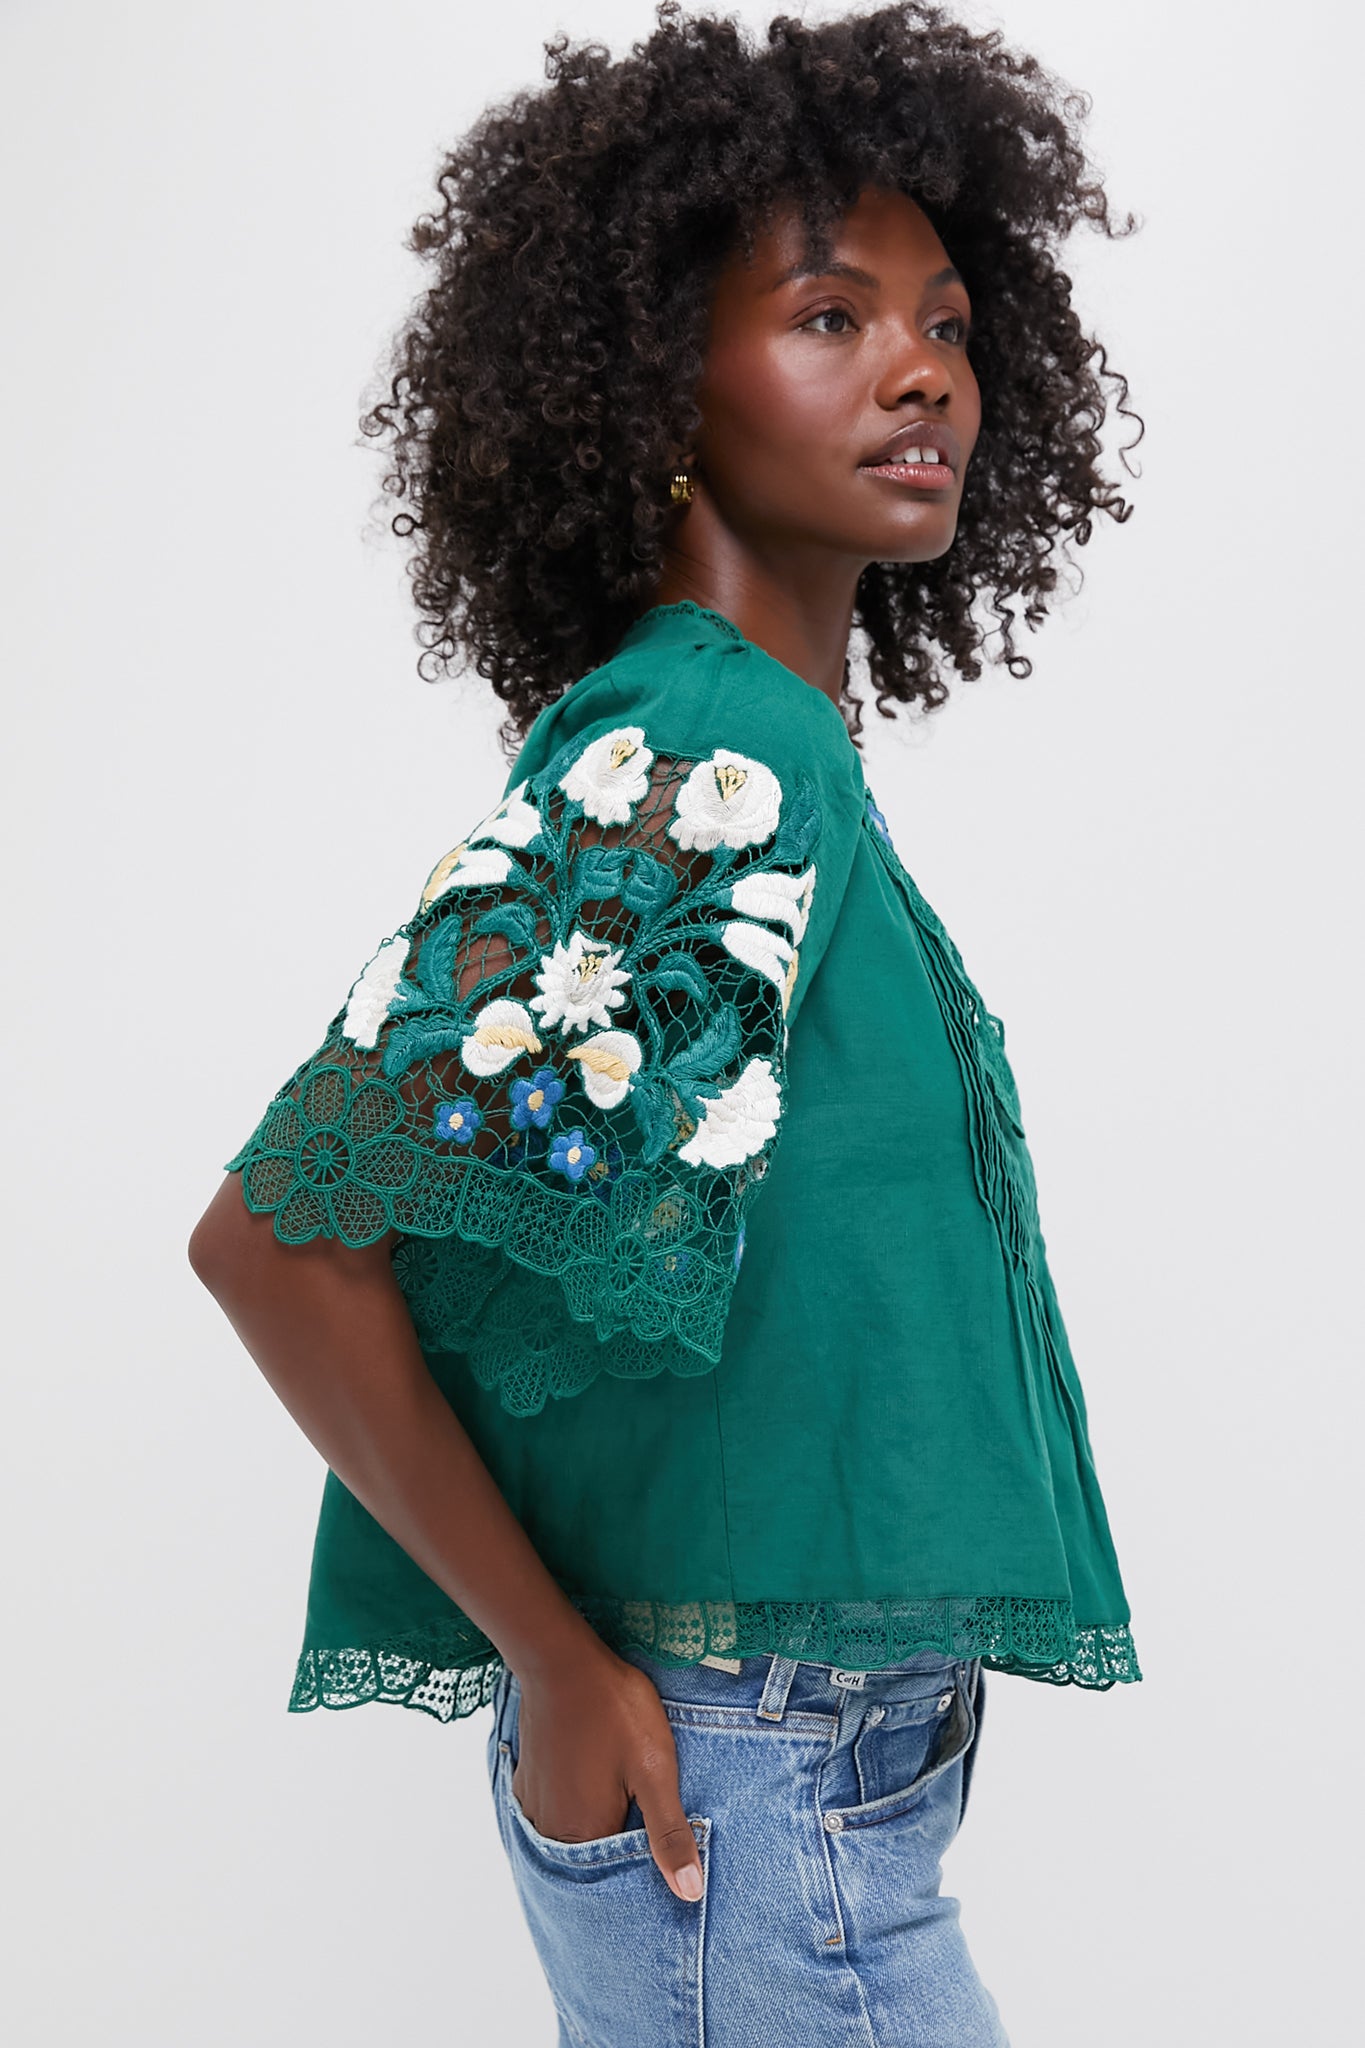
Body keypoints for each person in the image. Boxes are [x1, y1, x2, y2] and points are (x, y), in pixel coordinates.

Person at [188, 4, 1144, 2040]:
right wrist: (551, 1660)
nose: (921, 370)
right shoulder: (710, 751)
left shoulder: (766, 756)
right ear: (660, 388)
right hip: (748, 1793)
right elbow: (278, 1236)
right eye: (827, 316)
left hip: (785, 1777)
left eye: (947, 321)